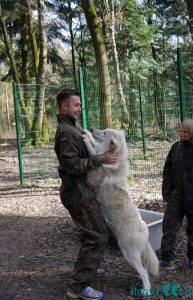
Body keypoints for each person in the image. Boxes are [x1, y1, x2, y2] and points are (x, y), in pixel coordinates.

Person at [54, 88, 117, 299]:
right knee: (98, 235)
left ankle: (87, 267)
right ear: (64, 106)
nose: (79, 109)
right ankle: (78, 286)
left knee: (91, 233)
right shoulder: (66, 132)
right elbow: (71, 165)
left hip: (83, 189)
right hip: (77, 192)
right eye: (76, 105)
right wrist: (101, 160)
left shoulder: (74, 127)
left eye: (79, 105)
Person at [159, 118, 193, 270]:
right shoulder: (175, 148)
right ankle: (166, 258)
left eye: (185, 131)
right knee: (169, 226)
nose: (182, 134)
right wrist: (166, 192)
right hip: (175, 197)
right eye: (180, 131)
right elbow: (167, 172)